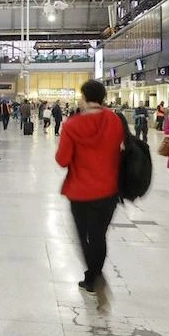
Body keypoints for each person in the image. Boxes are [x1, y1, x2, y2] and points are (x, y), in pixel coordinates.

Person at [55, 80, 123, 294]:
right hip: (109, 190)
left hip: (80, 191)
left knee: (83, 236)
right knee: (98, 236)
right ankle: (94, 276)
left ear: (84, 97)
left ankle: (94, 276)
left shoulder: (72, 125)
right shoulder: (114, 120)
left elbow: (62, 160)